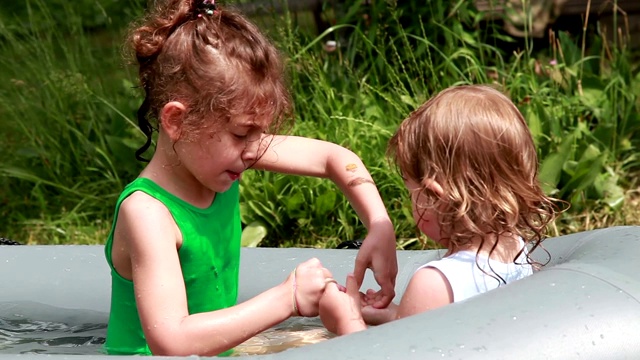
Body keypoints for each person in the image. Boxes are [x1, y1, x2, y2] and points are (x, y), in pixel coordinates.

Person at [103, 0, 397, 356]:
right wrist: (285, 298)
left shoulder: (219, 158)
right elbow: (172, 342)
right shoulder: (148, 214)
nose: (254, 149)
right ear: (177, 121)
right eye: (242, 133)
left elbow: (336, 158)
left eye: (259, 134)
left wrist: (379, 222)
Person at [319, 84, 562, 335]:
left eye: (410, 192)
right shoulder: (515, 249)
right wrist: (396, 315)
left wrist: (347, 322)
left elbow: (397, 356)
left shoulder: (435, 283)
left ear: (434, 196)